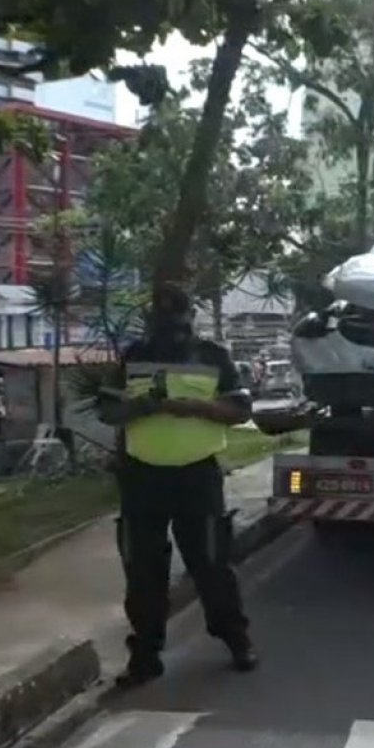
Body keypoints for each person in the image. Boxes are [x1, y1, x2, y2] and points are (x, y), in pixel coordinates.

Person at [99, 284, 257, 687]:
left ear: (191, 319)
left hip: (197, 477)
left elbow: (240, 409)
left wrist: (200, 408)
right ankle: (145, 657)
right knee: (142, 573)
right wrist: (141, 406)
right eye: (164, 323)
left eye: (179, 322)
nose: (172, 332)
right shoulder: (134, 356)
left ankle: (236, 640)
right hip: (141, 478)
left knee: (211, 565)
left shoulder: (213, 356)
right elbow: (107, 409)